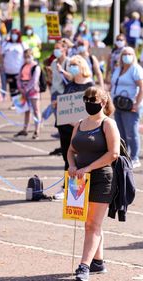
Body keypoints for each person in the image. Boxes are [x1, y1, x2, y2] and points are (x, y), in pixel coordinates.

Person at [68, 87, 120, 281]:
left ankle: (84, 266)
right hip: (79, 179)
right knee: (89, 223)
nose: (89, 102)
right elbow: (71, 150)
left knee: (92, 224)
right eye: (86, 99)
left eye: (94, 99)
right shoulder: (80, 124)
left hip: (102, 179)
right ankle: (98, 261)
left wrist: (88, 167)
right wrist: (72, 165)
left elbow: (113, 154)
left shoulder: (108, 124)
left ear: (103, 102)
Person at [53, 55, 95, 200]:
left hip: (80, 128)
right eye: (70, 65)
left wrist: (79, 122)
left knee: (80, 158)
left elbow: (91, 108)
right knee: (67, 158)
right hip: (65, 127)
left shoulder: (89, 86)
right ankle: (68, 188)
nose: (71, 67)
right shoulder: (70, 84)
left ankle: (78, 189)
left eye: (74, 65)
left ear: (82, 66)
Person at [111, 47, 143, 168]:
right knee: (121, 134)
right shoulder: (118, 69)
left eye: (130, 54)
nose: (127, 56)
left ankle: (135, 157)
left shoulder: (136, 69)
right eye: (124, 54)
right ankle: (125, 157)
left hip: (130, 106)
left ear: (134, 55)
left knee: (131, 132)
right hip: (118, 105)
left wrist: (137, 103)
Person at [15, 49, 41, 139]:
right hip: (24, 91)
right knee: (26, 110)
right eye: (25, 57)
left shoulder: (36, 67)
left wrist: (26, 89)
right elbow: (18, 78)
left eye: (29, 56)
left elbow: (35, 80)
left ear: (32, 56)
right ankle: (25, 129)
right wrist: (20, 88)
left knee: (36, 110)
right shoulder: (23, 66)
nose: (27, 59)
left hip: (33, 91)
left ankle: (37, 130)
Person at [0, 29, 26, 105]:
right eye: (12, 34)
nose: (14, 36)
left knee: (19, 87)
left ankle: (20, 104)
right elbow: (1, 55)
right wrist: (1, 65)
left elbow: (26, 55)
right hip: (8, 70)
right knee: (12, 87)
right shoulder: (6, 44)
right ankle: (14, 103)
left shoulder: (22, 44)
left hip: (19, 70)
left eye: (16, 34)